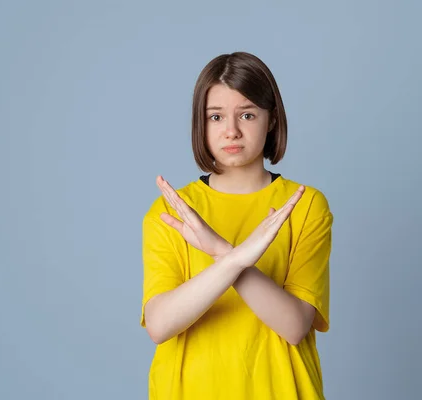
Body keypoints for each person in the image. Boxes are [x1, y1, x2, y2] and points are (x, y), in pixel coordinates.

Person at [140, 51, 333, 399]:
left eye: (247, 114)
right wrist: (234, 259)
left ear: (271, 120)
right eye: (216, 117)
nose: (231, 131)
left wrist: (221, 252)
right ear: (202, 123)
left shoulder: (305, 206)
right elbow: (159, 324)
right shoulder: (172, 211)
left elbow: (294, 326)